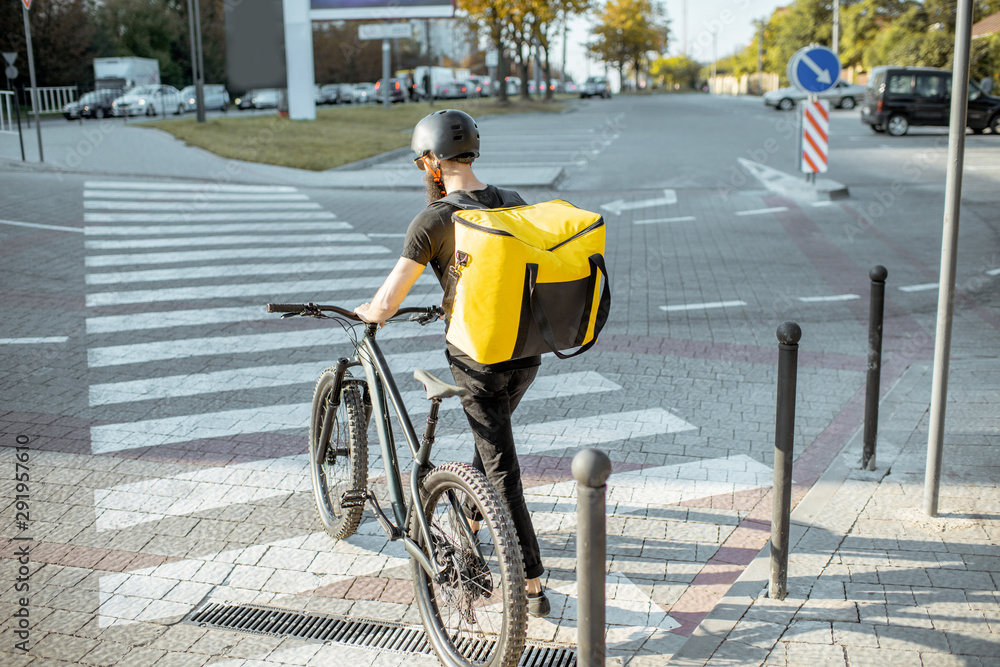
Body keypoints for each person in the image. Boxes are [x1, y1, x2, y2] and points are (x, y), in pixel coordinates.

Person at [354, 109, 550, 617]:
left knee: (502, 465)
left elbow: (388, 302)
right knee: (491, 444)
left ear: (430, 163)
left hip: (478, 358)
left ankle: (529, 575)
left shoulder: (435, 219)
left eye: (422, 164)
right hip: (526, 354)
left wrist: (369, 311)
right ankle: (473, 513)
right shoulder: (514, 203)